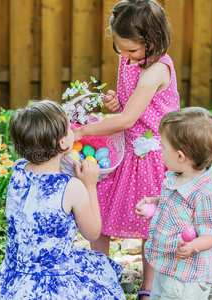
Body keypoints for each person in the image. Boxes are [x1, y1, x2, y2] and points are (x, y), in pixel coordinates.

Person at [72, 0, 179, 298]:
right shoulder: (131, 59)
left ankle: (148, 287)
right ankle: (101, 273)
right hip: (126, 146)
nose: (125, 56)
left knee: (149, 220)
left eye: (131, 50)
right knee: (101, 207)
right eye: (120, 49)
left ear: (153, 40)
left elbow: (128, 119)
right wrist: (114, 101)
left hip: (150, 154)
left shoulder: (157, 69)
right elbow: (127, 107)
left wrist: (80, 130)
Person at [0, 100, 125, 300]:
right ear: (63, 143)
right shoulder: (71, 187)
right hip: (55, 282)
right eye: (70, 128)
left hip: (15, 277)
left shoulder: (18, 168)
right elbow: (93, 233)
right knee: (99, 271)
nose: (73, 130)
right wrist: (90, 185)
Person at [135, 107, 212, 300]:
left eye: (163, 146)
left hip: (186, 279)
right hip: (166, 265)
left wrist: (193, 247)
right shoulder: (177, 176)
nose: (160, 150)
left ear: (180, 156)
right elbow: (174, 203)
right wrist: (155, 203)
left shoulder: (207, 195)